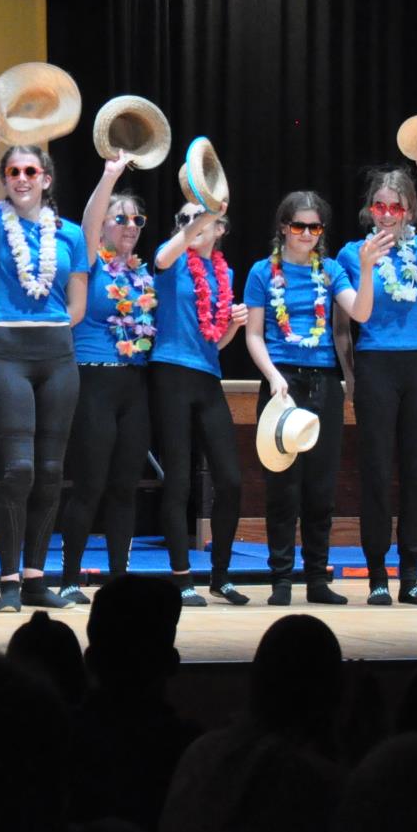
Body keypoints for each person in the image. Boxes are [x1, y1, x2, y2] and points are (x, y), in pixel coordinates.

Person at [0, 127, 88, 612]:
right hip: (8, 352)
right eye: (13, 172)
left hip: (57, 353)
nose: (22, 178)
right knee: (20, 470)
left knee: (50, 472)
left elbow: (76, 302)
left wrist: (53, 329)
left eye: (31, 170)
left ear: (46, 179)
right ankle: (8, 582)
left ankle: (35, 580)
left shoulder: (70, 233)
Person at [242, 191, 388, 605]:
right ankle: (281, 579)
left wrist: (365, 268)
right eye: (299, 226)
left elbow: (360, 313)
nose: (306, 234)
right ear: (283, 227)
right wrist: (273, 376)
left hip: (324, 383)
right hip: (281, 383)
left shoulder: (332, 271)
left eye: (315, 227)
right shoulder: (262, 272)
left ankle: (317, 580)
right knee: (282, 487)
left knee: (321, 489)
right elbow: (253, 334)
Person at [338, 150, 417, 606]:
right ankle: (376, 575)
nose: (388, 214)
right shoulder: (353, 253)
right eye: (380, 206)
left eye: (396, 206)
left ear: (408, 210)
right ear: (370, 210)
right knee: (375, 471)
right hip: (375, 364)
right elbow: (350, 320)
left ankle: (410, 575)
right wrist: (350, 375)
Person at [55, 150, 158, 603]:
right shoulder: (90, 262)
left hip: (134, 386)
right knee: (90, 485)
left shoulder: (143, 275)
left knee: (124, 488)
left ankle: (120, 580)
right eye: (121, 219)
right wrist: (110, 176)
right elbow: (89, 221)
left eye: (137, 220)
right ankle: (69, 578)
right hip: (93, 382)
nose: (130, 226)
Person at [150, 200, 245, 605]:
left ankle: (220, 575)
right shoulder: (172, 259)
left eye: (203, 218)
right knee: (179, 480)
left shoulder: (225, 272)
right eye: (184, 218)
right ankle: (181, 576)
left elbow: (214, 341)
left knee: (231, 480)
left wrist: (233, 328)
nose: (192, 223)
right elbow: (160, 258)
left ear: (220, 229)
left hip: (208, 376)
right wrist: (200, 216)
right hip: (170, 372)